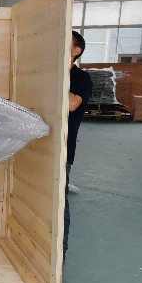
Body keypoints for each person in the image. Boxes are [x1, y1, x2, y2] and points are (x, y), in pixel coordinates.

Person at [64, 30, 93, 260]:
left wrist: (59, 75)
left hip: (63, 148)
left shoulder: (82, 78)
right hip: (37, 145)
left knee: (58, 201)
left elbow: (72, 104)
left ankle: (59, 251)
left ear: (76, 51)